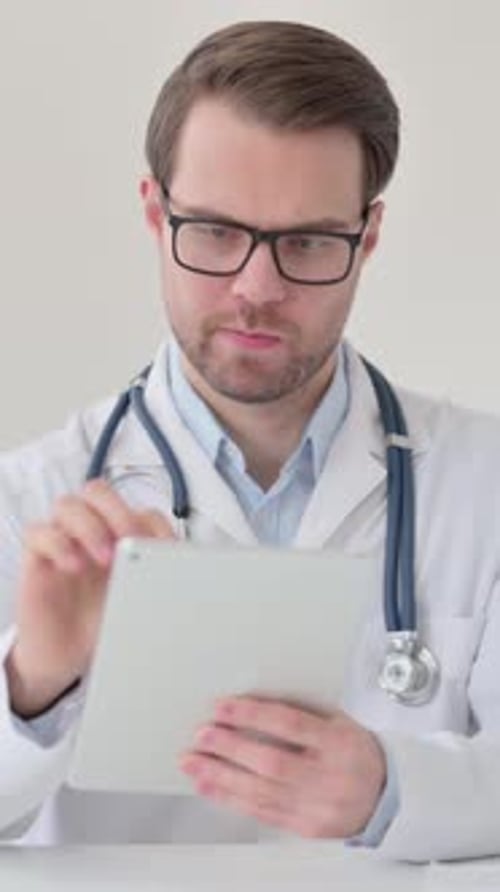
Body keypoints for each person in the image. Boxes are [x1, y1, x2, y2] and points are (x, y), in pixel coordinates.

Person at [0, 19, 499, 863]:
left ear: (368, 237)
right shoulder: (29, 503)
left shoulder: (483, 487)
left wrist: (393, 790)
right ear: (155, 213)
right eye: (216, 232)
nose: (256, 288)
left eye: (307, 242)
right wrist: (33, 683)